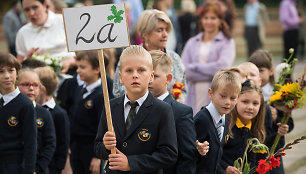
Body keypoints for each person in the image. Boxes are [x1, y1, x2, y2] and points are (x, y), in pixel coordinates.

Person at [95, 45, 178, 174]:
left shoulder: (162, 110)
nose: (135, 75)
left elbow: (169, 154)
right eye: (129, 70)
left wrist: (131, 163)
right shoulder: (110, 106)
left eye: (141, 70)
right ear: (121, 77)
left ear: (151, 76)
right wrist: (105, 146)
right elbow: (97, 147)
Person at [113, 9, 187, 102]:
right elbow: (117, 91)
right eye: (159, 30)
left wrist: (177, 101)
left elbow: (183, 90)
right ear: (145, 34)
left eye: (166, 30)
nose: (165, 35)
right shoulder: (129, 57)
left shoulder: (174, 58)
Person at [237, 62, 293, 174]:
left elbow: (270, 142)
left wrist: (279, 133)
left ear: (259, 81)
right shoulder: (231, 111)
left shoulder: (265, 110)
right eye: (244, 76)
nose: (248, 79)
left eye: (252, 75)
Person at [182, 1, 235, 114]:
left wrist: (195, 66)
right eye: (206, 18)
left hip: (216, 96)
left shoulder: (227, 42)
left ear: (220, 20)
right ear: (201, 20)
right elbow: (185, 71)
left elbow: (222, 68)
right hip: (193, 95)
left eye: (213, 18)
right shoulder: (192, 42)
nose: (209, 21)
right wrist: (210, 71)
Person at [148, 50, 197, 174]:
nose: (149, 80)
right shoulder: (134, 108)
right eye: (146, 75)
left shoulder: (181, 112)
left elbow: (188, 157)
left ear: (168, 78)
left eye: (155, 76)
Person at [69, 50, 113, 174]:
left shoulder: (102, 95)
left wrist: (97, 156)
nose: (78, 70)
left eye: (83, 67)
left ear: (97, 69)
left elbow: (103, 126)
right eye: (77, 67)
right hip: (77, 147)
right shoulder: (79, 89)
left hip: (91, 148)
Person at [194, 69, 241, 174]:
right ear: (210, 93)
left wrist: (225, 168)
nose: (227, 102)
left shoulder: (226, 121)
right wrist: (197, 150)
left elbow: (216, 157)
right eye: (223, 96)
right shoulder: (202, 120)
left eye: (233, 98)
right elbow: (188, 151)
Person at [0, 52, 37, 174]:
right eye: (1, 72)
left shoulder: (25, 105)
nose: (6, 76)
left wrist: (29, 170)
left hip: (14, 165)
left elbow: (30, 142)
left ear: (17, 74)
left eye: (11, 70)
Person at [220, 80, 266, 174]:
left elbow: (254, 162)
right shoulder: (225, 125)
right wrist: (225, 168)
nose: (250, 107)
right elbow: (212, 155)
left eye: (255, 103)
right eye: (245, 102)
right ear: (235, 101)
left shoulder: (256, 131)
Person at [18, 68, 56, 174]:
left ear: (40, 88)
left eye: (35, 85)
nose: (31, 88)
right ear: (16, 86)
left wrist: (38, 168)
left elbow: (50, 144)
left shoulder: (45, 114)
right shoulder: (12, 110)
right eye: (26, 84)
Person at [35, 66, 70, 174]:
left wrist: (58, 167)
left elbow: (63, 143)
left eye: (35, 85)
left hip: (52, 167)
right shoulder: (31, 110)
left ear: (42, 89)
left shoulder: (59, 114)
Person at [16, 0, 74, 64]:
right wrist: (27, 59)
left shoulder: (65, 20)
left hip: (69, 71)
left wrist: (71, 62)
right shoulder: (22, 32)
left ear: (44, 5)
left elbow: (84, 54)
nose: (31, 13)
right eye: (27, 10)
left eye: (35, 7)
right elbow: (19, 63)